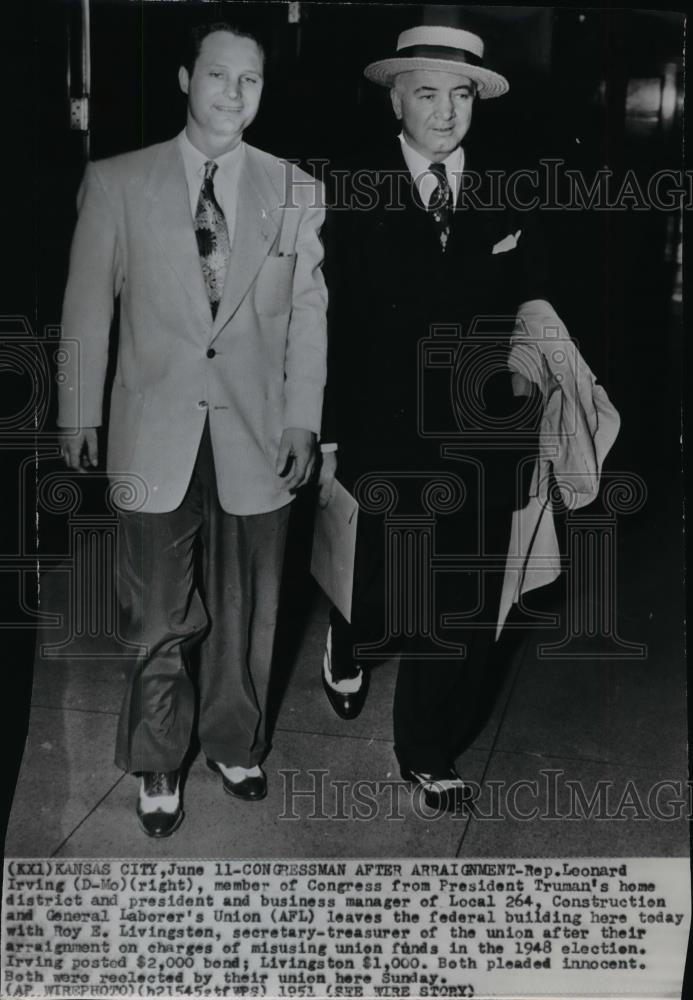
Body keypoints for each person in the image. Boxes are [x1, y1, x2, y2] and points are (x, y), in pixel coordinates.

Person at [58, 21, 327, 836]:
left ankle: (231, 740)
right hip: (152, 426)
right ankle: (155, 761)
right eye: (218, 76)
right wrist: (79, 410)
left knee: (249, 603)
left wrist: (302, 419)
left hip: (254, 429)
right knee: (155, 612)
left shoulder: (293, 190)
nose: (233, 95)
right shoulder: (117, 182)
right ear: (185, 79)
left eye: (250, 80)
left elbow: (308, 316)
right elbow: (85, 306)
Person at [317, 21, 549, 812]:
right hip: (380, 420)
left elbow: (541, 299)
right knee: (381, 583)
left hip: (481, 426)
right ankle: (347, 634)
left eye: (461, 95)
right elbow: (327, 318)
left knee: (457, 594)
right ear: (394, 99)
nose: (446, 113)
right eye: (426, 93)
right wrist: (326, 428)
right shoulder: (349, 189)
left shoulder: (512, 186)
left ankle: (426, 748)